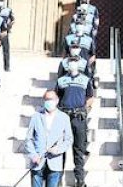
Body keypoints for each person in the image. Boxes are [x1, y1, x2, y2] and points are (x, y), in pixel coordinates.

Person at [55, 59, 95, 187]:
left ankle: (80, 180)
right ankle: (57, 179)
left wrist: (84, 110)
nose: (72, 64)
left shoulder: (85, 79)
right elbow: (56, 97)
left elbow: (90, 97)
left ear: (78, 65)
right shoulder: (61, 80)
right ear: (67, 65)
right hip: (64, 116)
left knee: (79, 149)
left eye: (75, 61)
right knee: (60, 149)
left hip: (78, 117)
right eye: (70, 61)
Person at [25, 90, 73, 187]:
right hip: (37, 161)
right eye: (46, 99)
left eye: (51, 99)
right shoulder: (36, 116)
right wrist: (33, 155)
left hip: (55, 162)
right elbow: (28, 139)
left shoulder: (64, 118)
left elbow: (68, 139)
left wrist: (58, 150)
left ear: (57, 100)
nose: (49, 102)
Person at [0, 0, 14, 72]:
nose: (1, 2)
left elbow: (12, 20)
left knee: (6, 50)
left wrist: (8, 28)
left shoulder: (8, 10)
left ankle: (7, 67)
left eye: (2, 1)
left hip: (4, 32)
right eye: (0, 0)